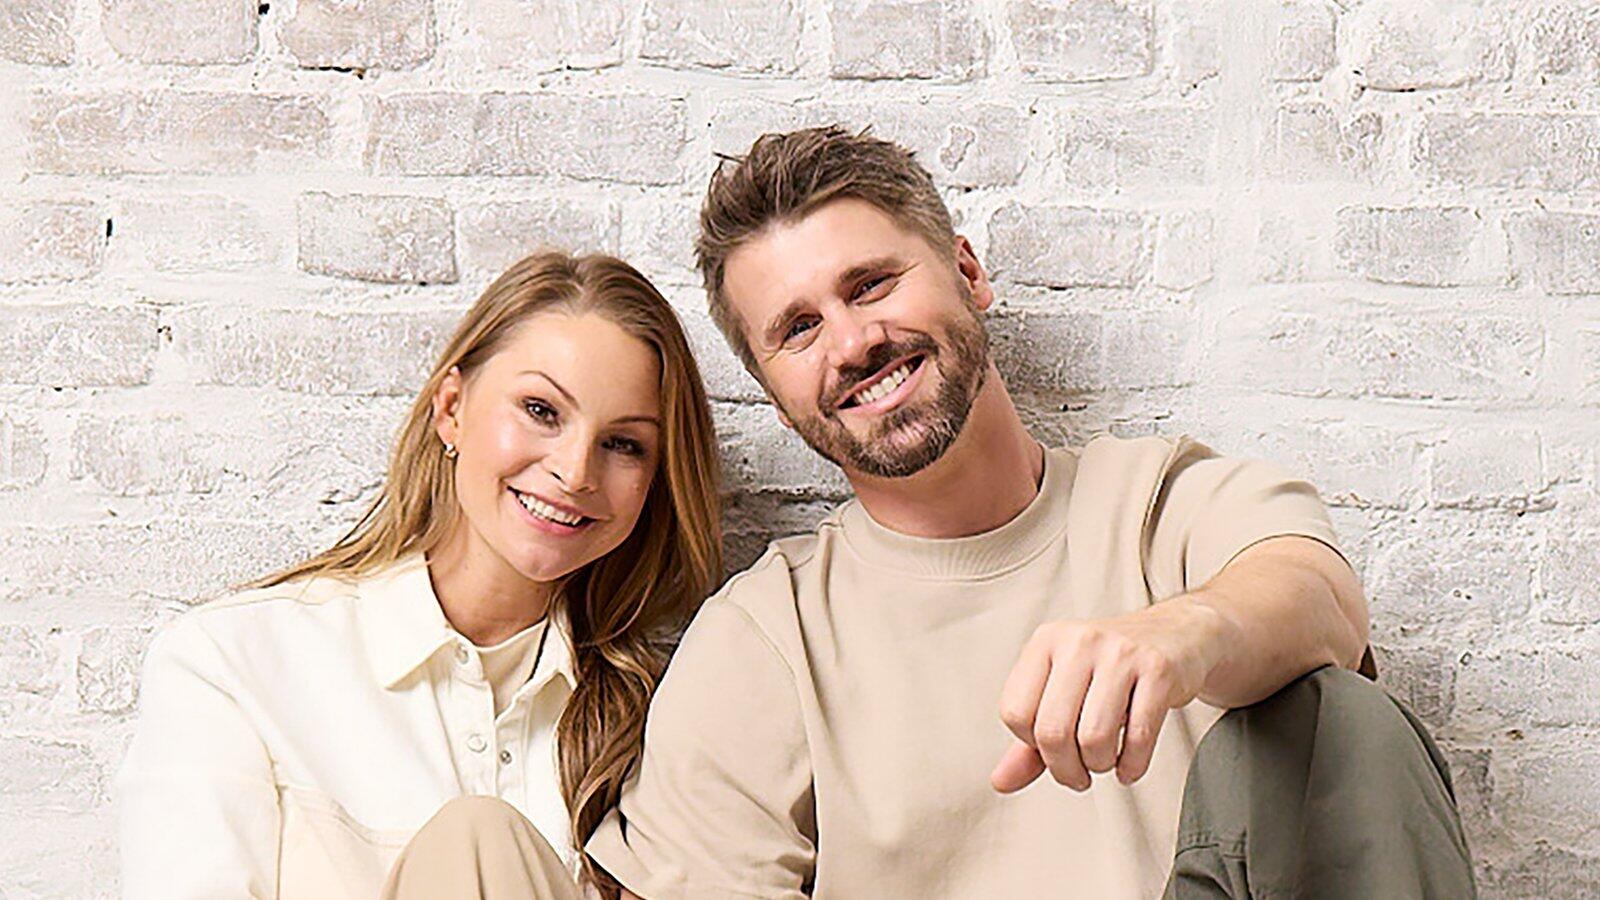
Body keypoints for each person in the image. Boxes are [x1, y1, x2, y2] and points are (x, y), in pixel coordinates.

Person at [583, 128, 1476, 898]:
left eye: (872, 285)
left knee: (1344, 721)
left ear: (968, 274)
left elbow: (1321, 601)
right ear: (775, 398)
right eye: (799, 329)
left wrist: (1183, 635)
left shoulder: (1163, 505)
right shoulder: (762, 640)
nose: (853, 343)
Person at [117, 251, 723, 899]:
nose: (575, 472)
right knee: (477, 836)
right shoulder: (234, 663)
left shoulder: (658, 722)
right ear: (451, 407)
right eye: (541, 411)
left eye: (624, 444)